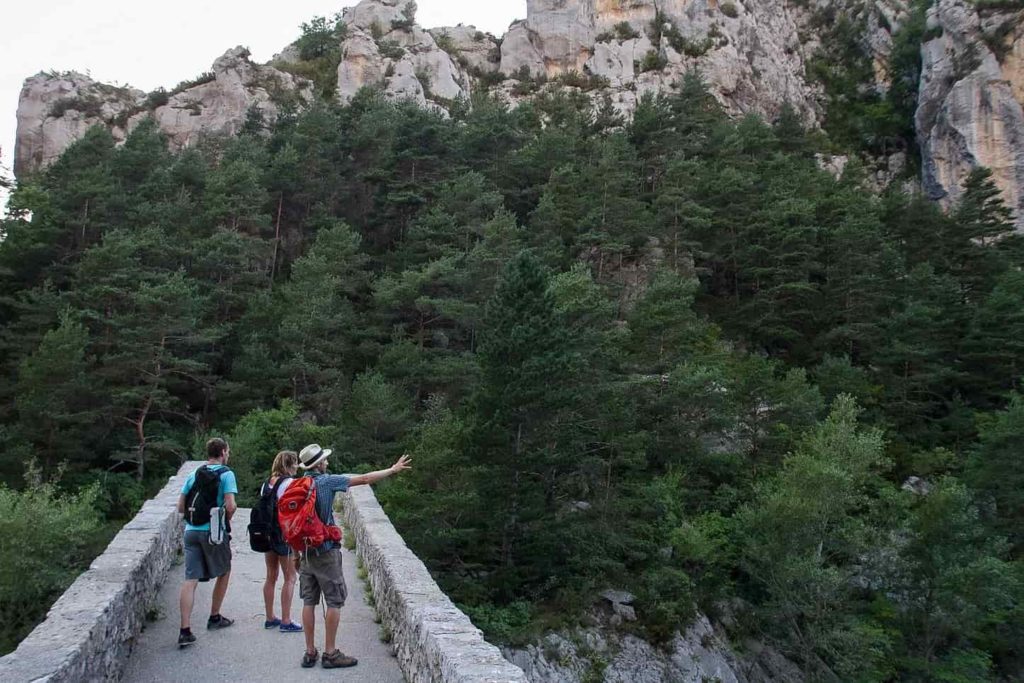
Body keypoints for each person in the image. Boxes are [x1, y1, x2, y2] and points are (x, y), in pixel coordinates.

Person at [296, 443, 412, 669]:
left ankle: (310, 652)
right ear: (319, 464)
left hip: (305, 552)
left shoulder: (298, 484)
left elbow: (294, 524)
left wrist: (295, 553)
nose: (327, 463)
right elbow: (365, 479)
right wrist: (392, 470)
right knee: (334, 601)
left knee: (308, 601)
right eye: (325, 460)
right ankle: (330, 654)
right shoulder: (327, 482)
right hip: (326, 551)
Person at [176, 437, 238, 648]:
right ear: (222, 452)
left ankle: (185, 630)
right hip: (213, 532)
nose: (228, 454)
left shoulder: (194, 474)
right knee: (224, 571)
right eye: (227, 451)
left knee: (190, 579)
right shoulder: (226, 474)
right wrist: (224, 521)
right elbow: (230, 506)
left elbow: (180, 507)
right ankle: (214, 616)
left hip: (190, 531)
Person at [261, 450, 302, 632]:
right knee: (290, 577)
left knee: (271, 575)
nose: (296, 467)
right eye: (294, 464)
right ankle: (286, 620)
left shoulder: (266, 484)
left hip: (267, 534)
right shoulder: (289, 483)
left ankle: (270, 617)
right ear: (288, 465)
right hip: (283, 536)